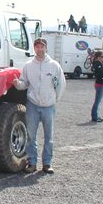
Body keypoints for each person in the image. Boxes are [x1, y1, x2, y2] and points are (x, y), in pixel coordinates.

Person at [13, 37, 66, 174]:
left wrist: (55, 99)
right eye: (37, 47)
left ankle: (47, 163)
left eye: (42, 46)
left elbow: (60, 84)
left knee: (49, 136)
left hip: (49, 105)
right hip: (33, 104)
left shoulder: (54, 66)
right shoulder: (29, 65)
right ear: (34, 48)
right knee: (31, 135)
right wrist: (18, 85)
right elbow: (24, 83)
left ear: (46, 48)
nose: (39, 49)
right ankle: (32, 162)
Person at [90, 50, 103, 122]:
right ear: (98, 57)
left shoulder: (98, 64)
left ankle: (95, 116)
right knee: (97, 101)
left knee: (97, 101)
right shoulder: (98, 64)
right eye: (102, 56)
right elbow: (100, 74)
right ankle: (94, 116)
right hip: (100, 84)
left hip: (99, 84)